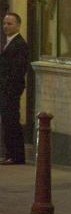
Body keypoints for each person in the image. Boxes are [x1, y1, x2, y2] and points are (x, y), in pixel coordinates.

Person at [0, 13, 29, 165]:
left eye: (9, 24)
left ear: (18, 25)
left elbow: (18, 70)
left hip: (11, 89)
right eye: (5, 23)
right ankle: (10, 153)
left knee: (11, 121)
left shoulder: (20, 44)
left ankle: (16, 155)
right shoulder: (7, 42)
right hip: (6, 88)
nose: (6, 26)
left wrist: (8, 86)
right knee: (7, 121)